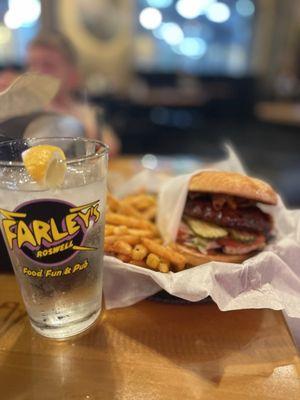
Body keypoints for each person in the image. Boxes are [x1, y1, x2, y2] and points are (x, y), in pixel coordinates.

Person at [26, 31, 120, 156]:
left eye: (48, 65)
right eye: (31, 64)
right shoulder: (25, 113)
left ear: (72, 75)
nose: (36, 72)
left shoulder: (85, 112)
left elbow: (112, 147)